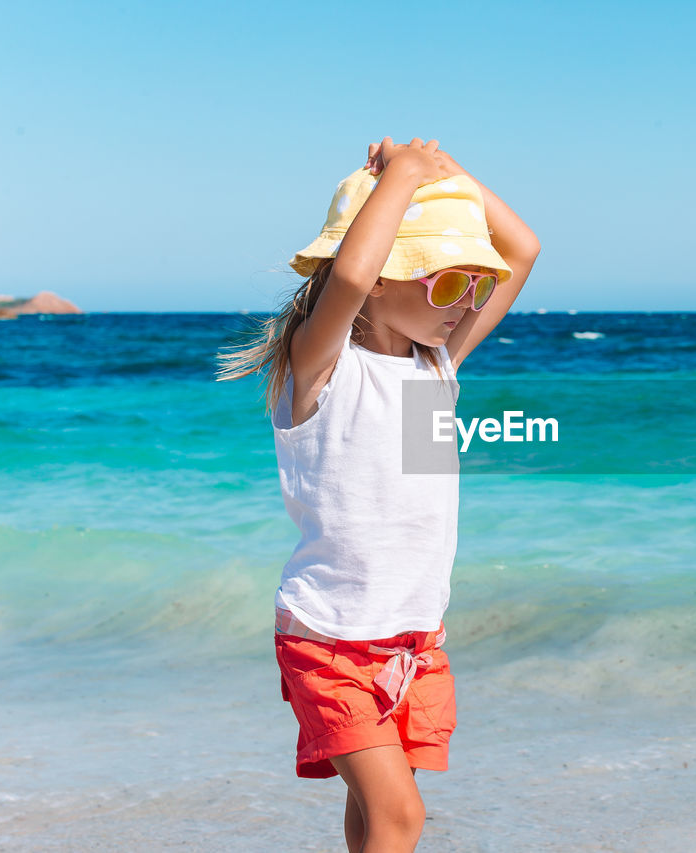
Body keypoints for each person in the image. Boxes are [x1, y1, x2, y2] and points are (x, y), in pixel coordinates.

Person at [217, 137, 541, 853]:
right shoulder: (324, 369)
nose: (467, 303)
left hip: (415, 640)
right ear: (386, 280)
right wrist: (401, 176)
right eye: (448, 283)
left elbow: (524, 249)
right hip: (331, 638)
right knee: (401, 817)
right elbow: (352, 275)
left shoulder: (437, 368)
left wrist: (447, 169)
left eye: (474, 286)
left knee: (376, 816)